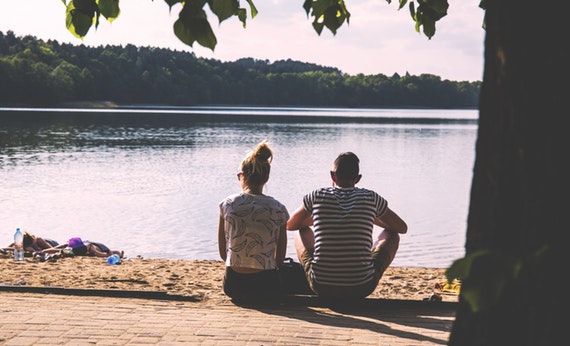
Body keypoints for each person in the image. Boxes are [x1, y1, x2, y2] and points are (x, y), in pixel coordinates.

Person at [286, 151, 408, 299]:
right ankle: (362, 264)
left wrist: (322, 214)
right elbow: (401, 228)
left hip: (321, 286)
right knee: (392, 234)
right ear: (358, 179)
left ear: (332, 176)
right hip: (362, 286)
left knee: (300, 230)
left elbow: (291, 225)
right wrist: (370, 215)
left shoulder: (317, 195)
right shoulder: (371, 197)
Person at [218, 140, 289, 300]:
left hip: (233, 285)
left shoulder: (227, 204)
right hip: (266, 285)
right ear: (266, 178)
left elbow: (224, 254)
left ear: (243, 176)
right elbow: (279, 260)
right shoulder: (278, 208)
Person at [36, 237, 124, 258]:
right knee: (61, 248)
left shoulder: (90, 248)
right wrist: (43, 251)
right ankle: (119, 254)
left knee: (114, 252)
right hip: (79, 244)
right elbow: (57, 249)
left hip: (98, 246)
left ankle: (120, 254)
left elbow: (104, 254)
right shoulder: (70, 247)